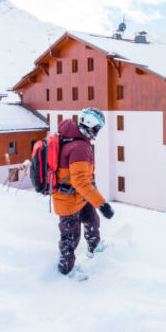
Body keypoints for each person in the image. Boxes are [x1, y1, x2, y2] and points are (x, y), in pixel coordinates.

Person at [52, 108, 115, 275]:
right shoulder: (79, 147)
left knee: (92, 221)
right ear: (90, 125)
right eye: (97, 127)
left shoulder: (75, 140)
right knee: (70, 239)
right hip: (68, 199)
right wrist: (102, 204)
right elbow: (80, 181)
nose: (98, 131)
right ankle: (65, 272)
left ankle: (95, 249)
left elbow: (84, 178)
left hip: (78, 196)